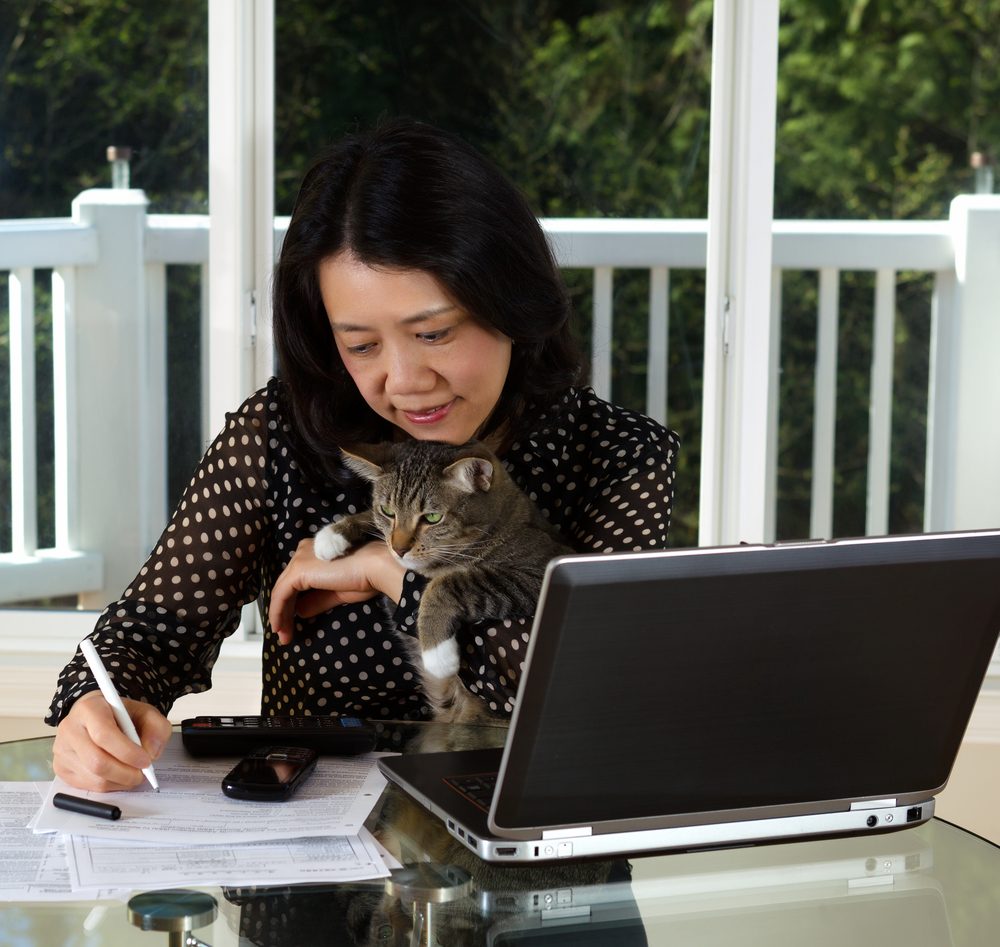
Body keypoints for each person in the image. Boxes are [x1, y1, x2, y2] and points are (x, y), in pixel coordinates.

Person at [46, 118, 679, 791]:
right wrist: (93, 707)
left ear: (511, 302)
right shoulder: (283, 435)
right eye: (362, 345)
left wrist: (393, 572)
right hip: (311, 873)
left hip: (535, 874)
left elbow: (583, 697)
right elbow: (144, 635)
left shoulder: (615, 457)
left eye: (433, 332)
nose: (403, 379)